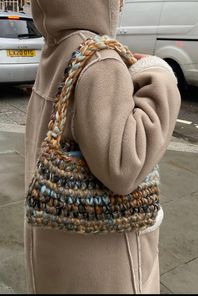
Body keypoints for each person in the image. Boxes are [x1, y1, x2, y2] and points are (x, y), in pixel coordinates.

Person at [24, 0, 181, 294]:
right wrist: (158, 74)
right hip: (106, 268)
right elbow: (124, 165)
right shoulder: (100, 60)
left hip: (60, 257)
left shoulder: (55, 49)